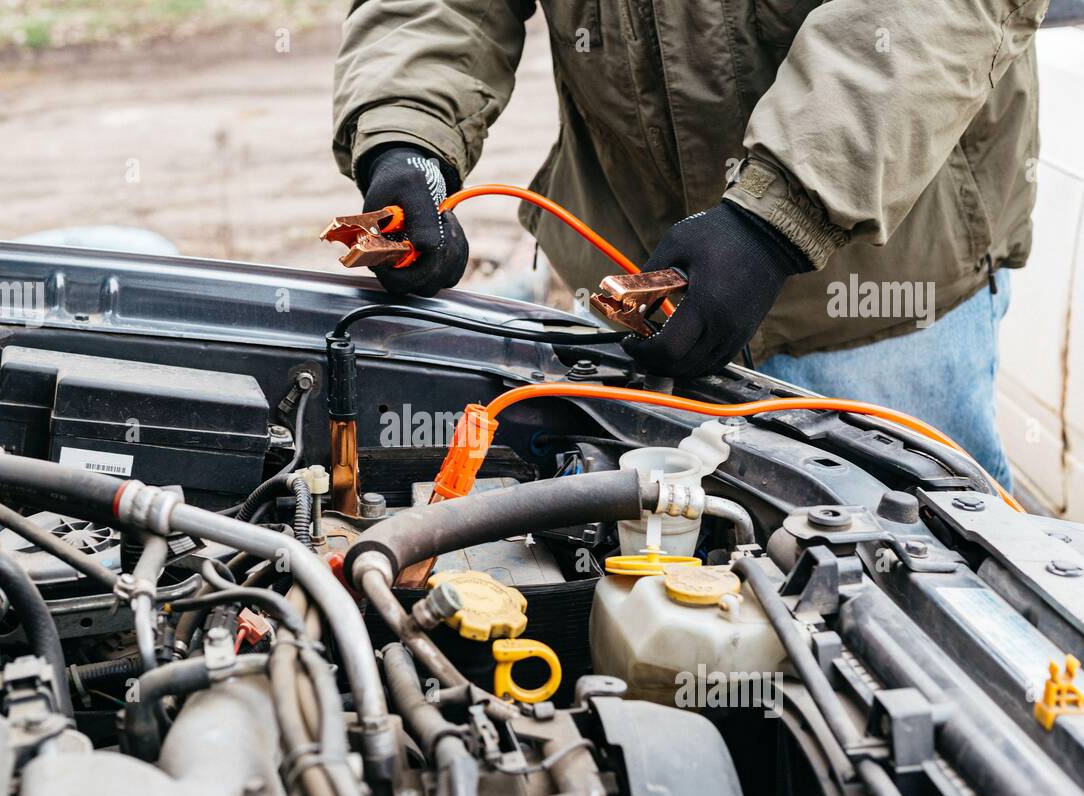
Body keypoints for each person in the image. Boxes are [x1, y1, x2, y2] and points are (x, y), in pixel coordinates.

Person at [331, 1, 1050, 490]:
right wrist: (407, 135)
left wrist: (782, 213)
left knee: (927, 602)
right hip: (630, 300)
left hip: (877, 306)